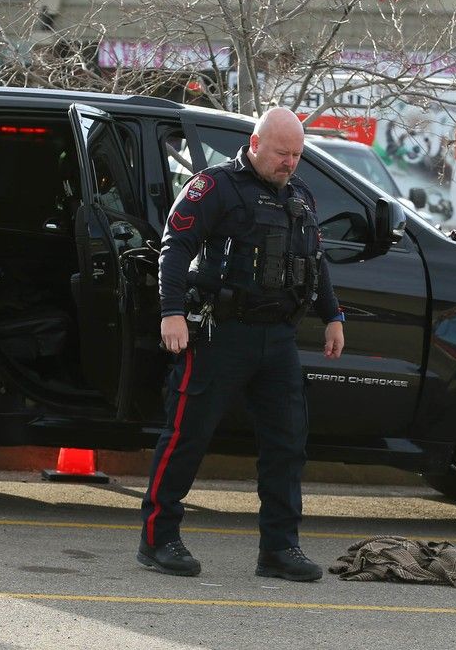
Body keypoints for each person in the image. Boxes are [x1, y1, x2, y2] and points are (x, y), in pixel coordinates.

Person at [138, 107, 345, 581]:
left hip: (278, 339)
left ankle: (279, 549)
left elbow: (316, 259)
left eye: (297, 154)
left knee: (287, 444)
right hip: (218, 334)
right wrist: (171, 313)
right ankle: (158, 538)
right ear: (255, 144)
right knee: (187, 435)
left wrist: (332, 315)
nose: (289, 162)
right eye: (281, 153)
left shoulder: (300, 196)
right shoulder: (215, 187)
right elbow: (175, 248)